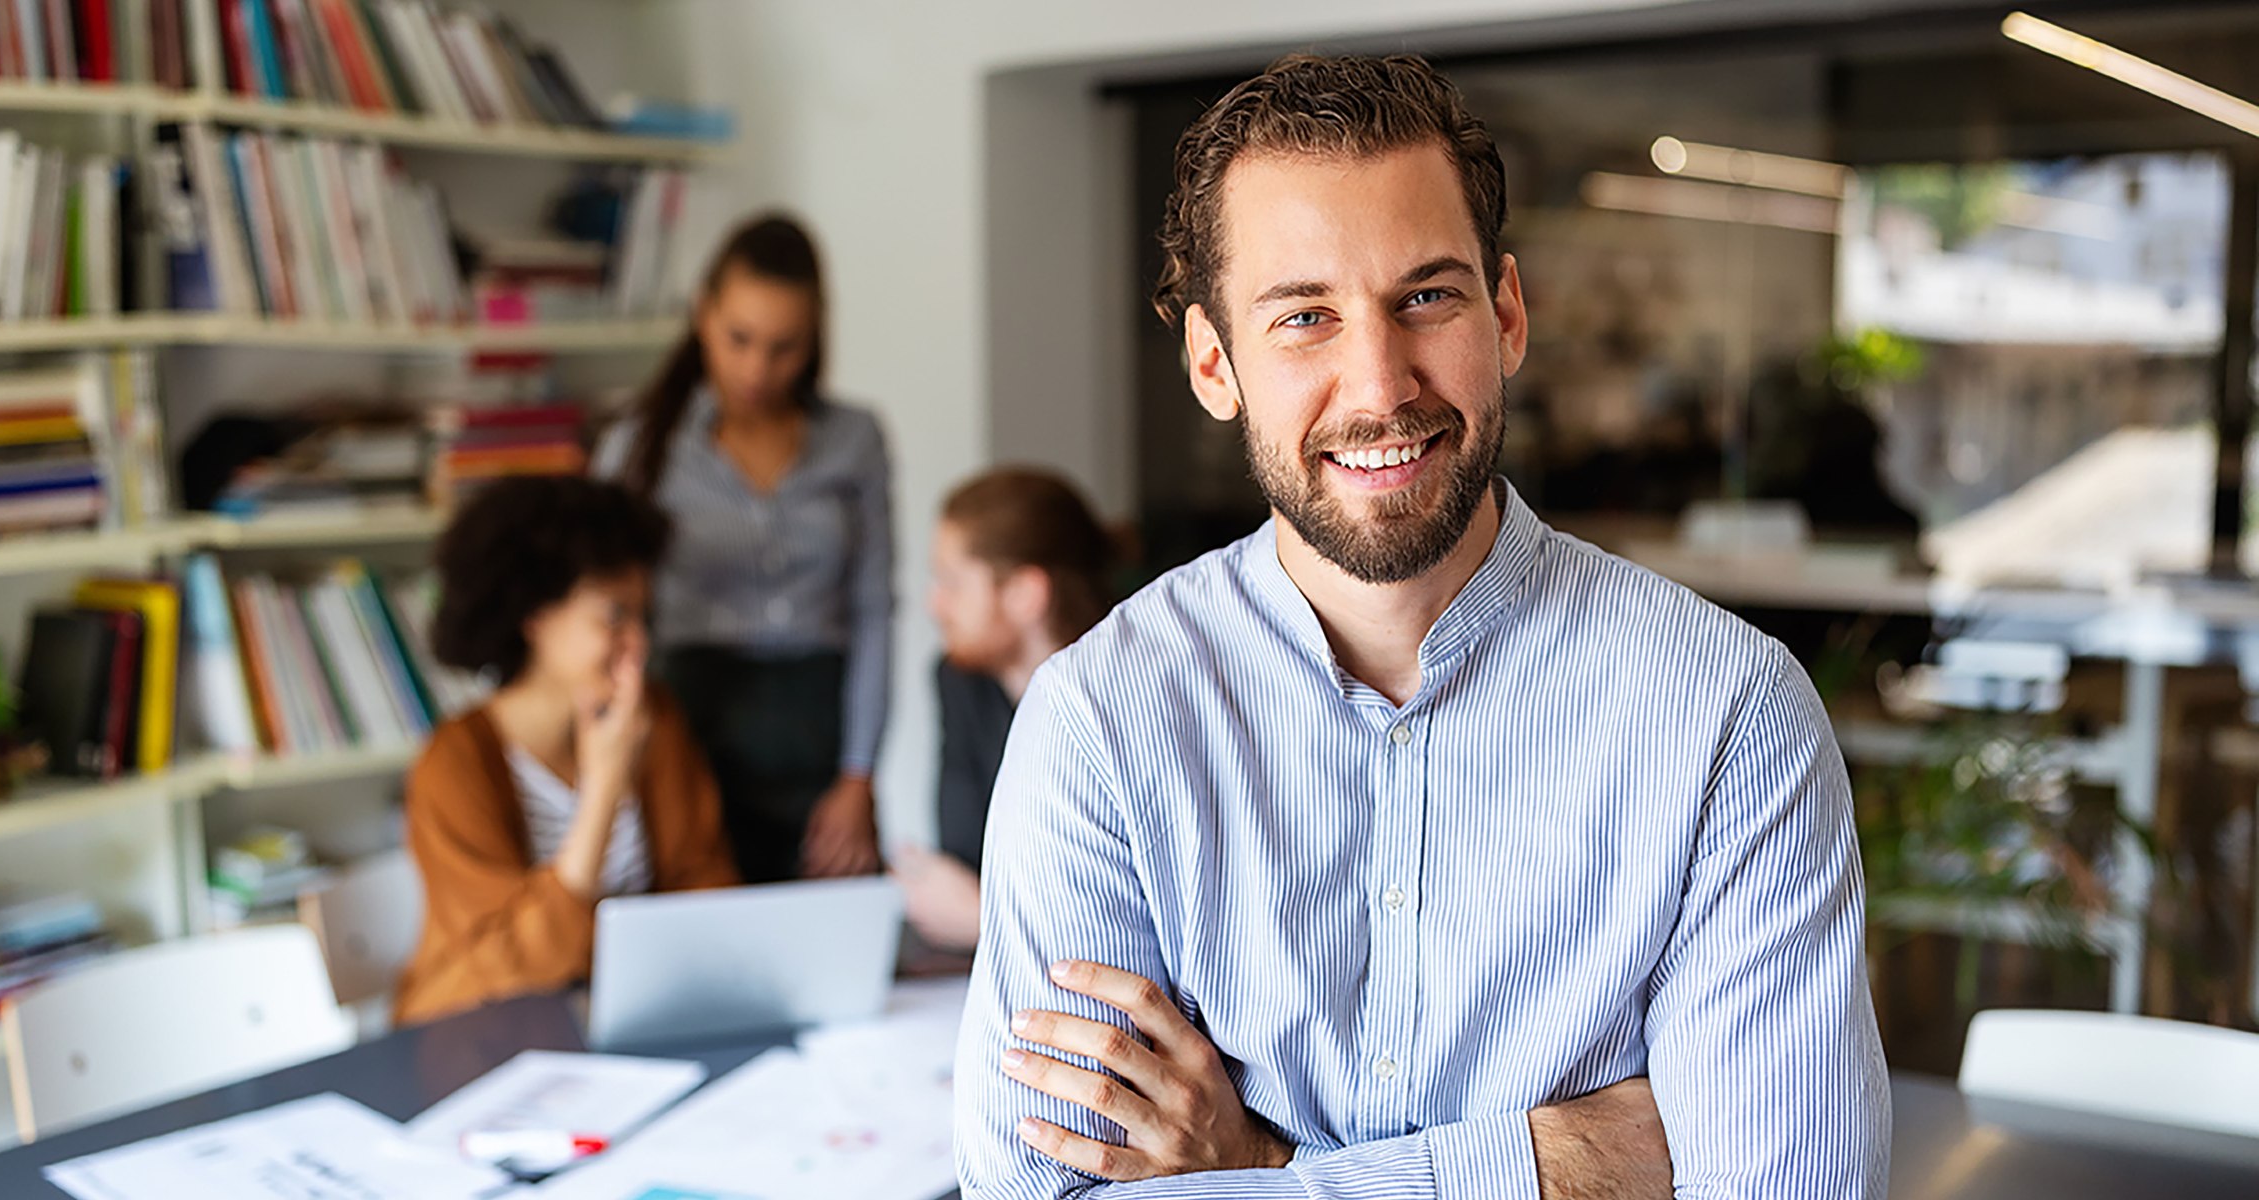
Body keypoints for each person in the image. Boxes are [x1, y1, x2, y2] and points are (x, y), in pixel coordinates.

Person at [955, 54, 1889, 1198]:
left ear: (1504, 313)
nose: (1381, 384)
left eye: (1426, 298)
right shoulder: (1099, 723)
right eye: (1305, 317)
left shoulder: (1728, 716)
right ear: (1214, 364)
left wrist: (1249, 1168)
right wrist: (1554, 1165)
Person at [593, 214, 894, 885]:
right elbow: (603, 611)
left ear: (814, 338)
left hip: (821, 731)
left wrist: (859, 776)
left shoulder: (856, 440)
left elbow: (875, 611)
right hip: (692, 723)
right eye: (739, 339)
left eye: (784, 347)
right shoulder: (639, 447)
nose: (757, 368)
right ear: (703, 315)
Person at [395, 477, 739, 1026]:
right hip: (487, 1036)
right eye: (613, 617)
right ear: (534, 617)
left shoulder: (657, 721)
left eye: (641, 617)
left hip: (638, 1016)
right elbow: (511, 967)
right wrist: (602, 790)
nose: (638, 645)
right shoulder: (454, 765)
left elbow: (705, 886)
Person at [894, 467, 1114, 952]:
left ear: (1024, 595)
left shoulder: (1128, 698)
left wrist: (982, 918)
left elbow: (1121, 914)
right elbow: (965, 852)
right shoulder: (959, 682)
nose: (936, 604)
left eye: (952, 582)